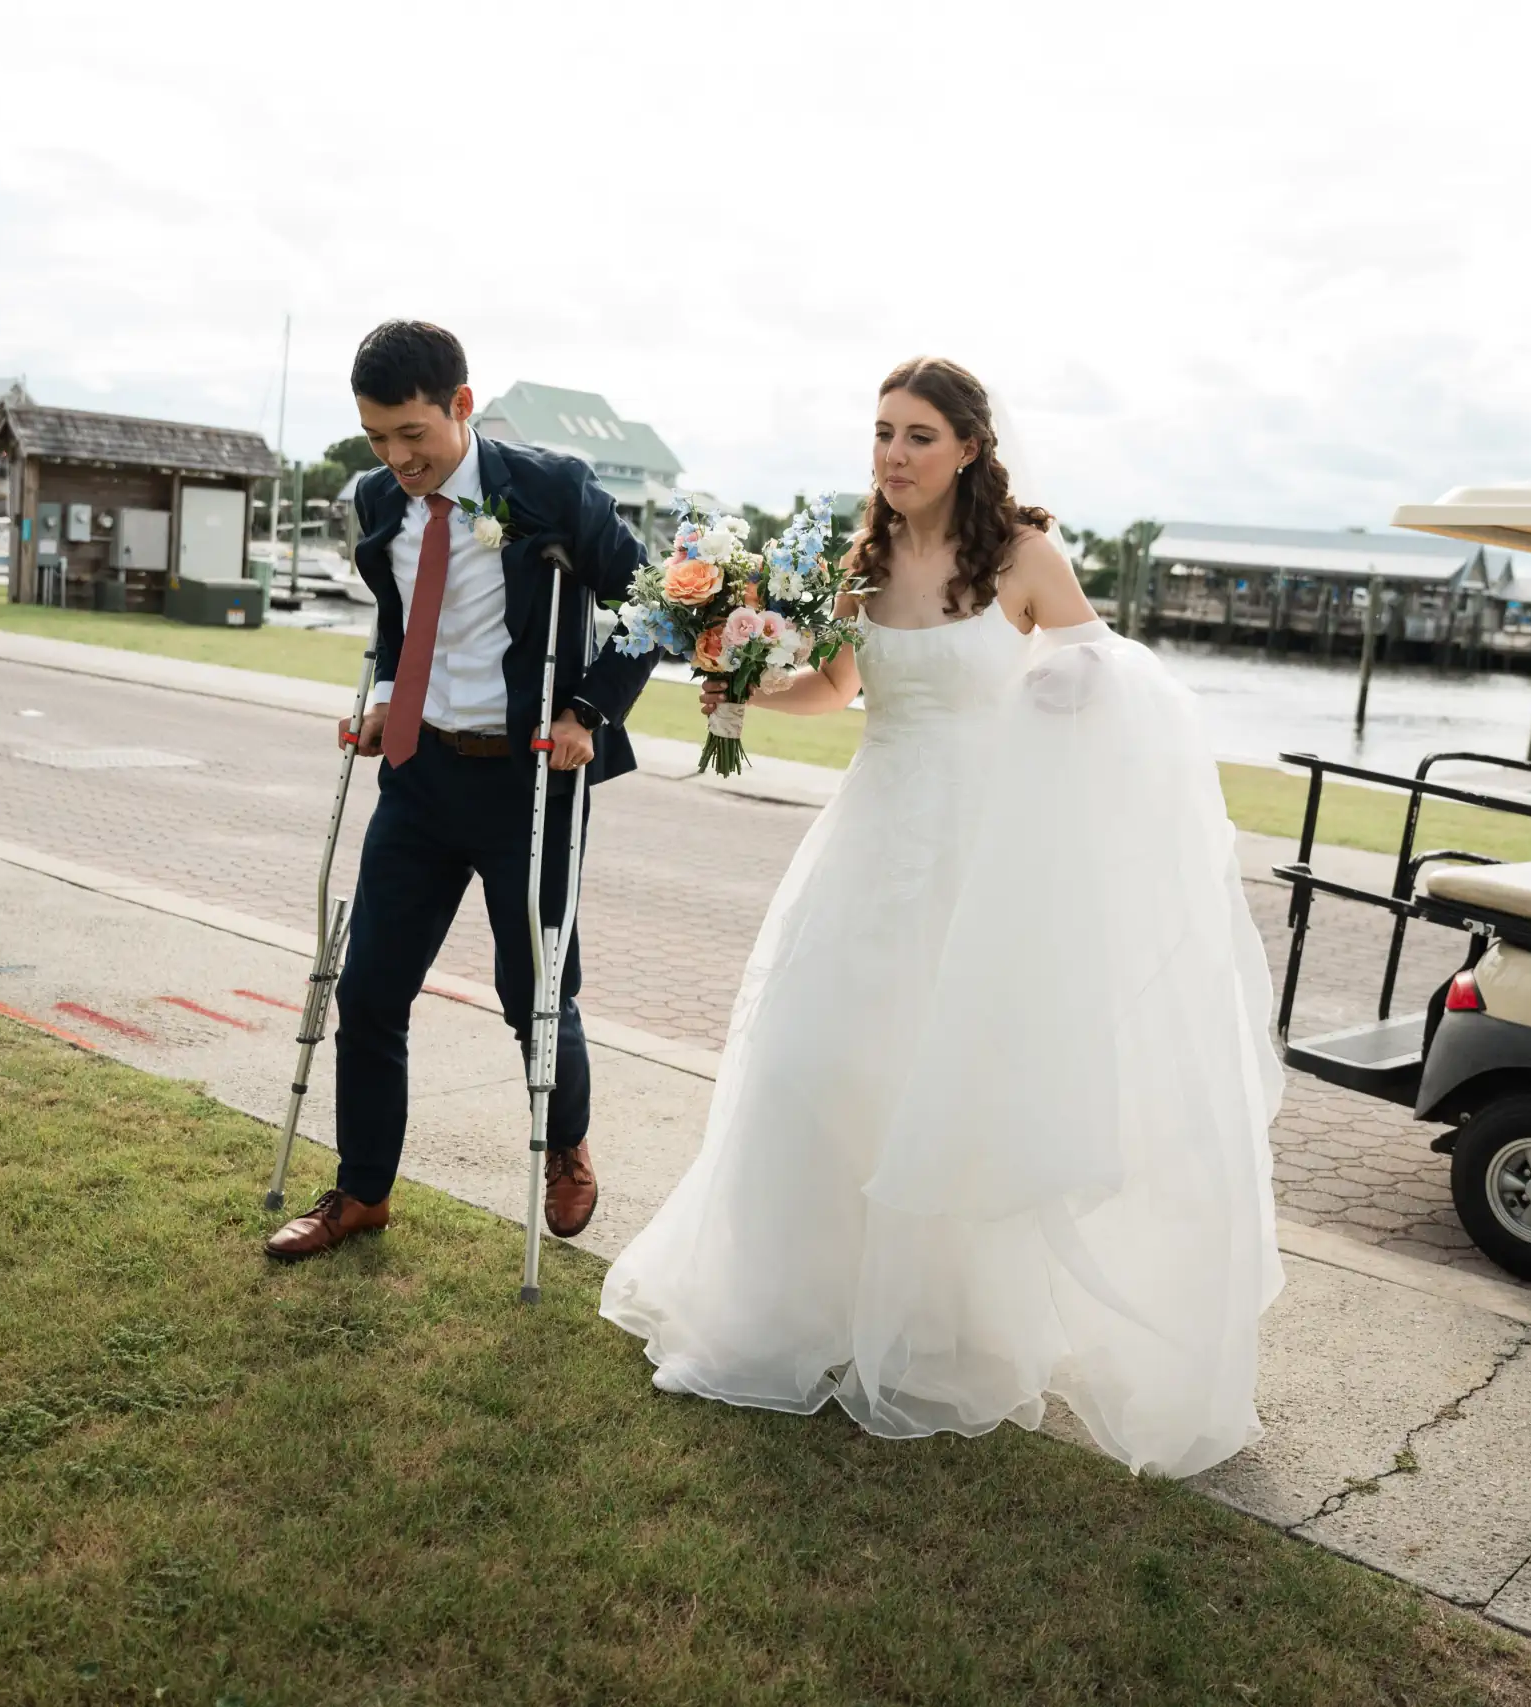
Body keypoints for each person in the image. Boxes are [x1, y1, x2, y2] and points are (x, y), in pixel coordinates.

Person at [600, 357, 1285, 1477]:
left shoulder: (1022, 555)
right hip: (872, 841)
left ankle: (940, 1325)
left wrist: (1068, 689)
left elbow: (1099, 668)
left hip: (986, 858)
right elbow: (836, 691)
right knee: (813, 1065)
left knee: (949, 1085)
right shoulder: (856, 567)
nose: (893, 454)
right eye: (880, 432)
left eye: (918, 434)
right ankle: (796, 1311)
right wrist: (736, 688)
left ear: (968, 445)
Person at [265, 321, 656, 1261]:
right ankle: (362, 1191)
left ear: (461, 408)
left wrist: (588, 713)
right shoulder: (376, 501)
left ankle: (565, 1142)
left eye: (414, 435)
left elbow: (650, 602)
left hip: (531, 778)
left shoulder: (549, 488)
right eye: (377, 439)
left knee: (533, 990)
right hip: (419, 774)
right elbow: (407, 619)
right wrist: (390, 702)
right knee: (369, 987)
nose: (398, 459)